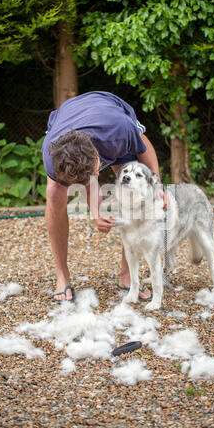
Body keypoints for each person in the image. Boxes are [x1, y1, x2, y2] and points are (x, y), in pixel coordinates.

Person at [42, 91, 167, 302]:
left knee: (135, 191)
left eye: (96, 169)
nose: (98, 176)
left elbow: (145, 149)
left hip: (109, 111)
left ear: (97, 154)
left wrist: (157, 185)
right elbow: (88, 180)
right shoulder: (53, 155)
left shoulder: (119, 131)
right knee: (54, 195)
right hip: (66, 120)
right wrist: (97, 212)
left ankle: (128, 277)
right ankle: (62, 275)